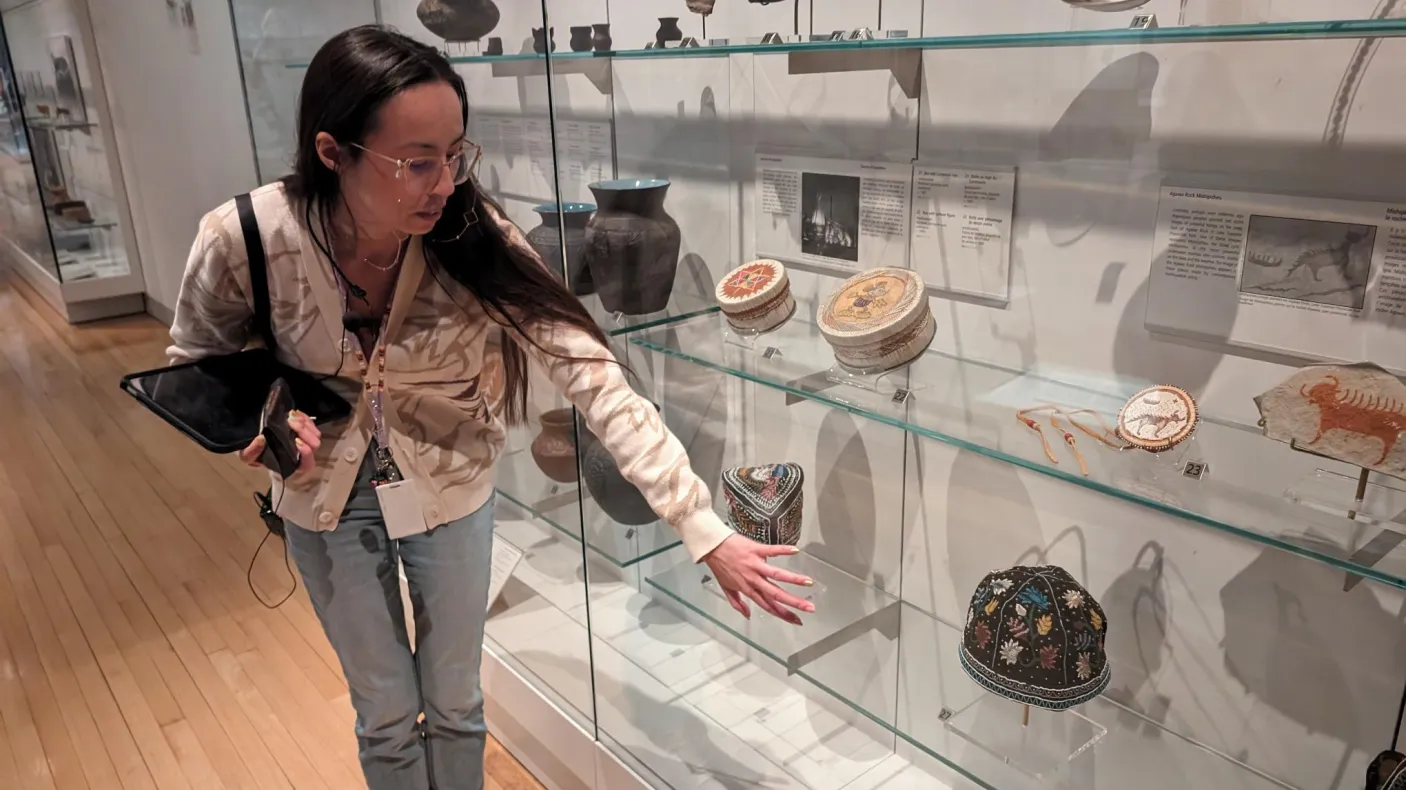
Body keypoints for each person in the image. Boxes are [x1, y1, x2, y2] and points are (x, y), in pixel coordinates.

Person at [167, 24, 816, 790]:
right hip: (322, 499)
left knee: (455, 703)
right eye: (416, 162)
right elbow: (199, 367)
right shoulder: (244, 237)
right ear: (332, 152)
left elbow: (591, 371)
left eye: (454, 154)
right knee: (383, 715)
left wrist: (699, 527)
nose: (445, 183)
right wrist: (267, 422)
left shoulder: (470, 233)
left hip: (449, 488)